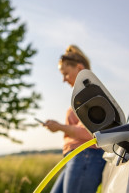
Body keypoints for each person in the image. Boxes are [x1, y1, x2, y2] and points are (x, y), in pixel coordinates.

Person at [43, 45, 106, 193]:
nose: (64, 79)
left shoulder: (90, 94)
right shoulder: (82, 95)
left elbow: (91, 132)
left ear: (79, 68)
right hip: (77, 158)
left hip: (86, 156)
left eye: (65, 73)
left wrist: (60, 127)